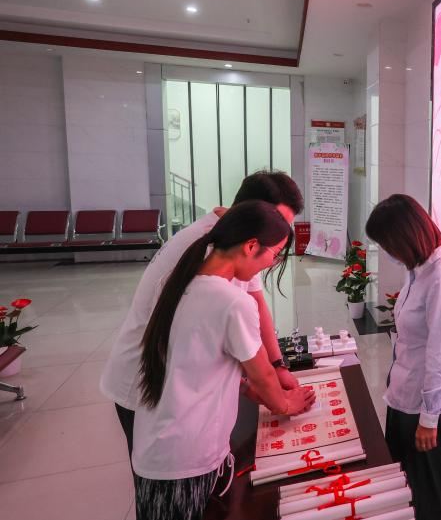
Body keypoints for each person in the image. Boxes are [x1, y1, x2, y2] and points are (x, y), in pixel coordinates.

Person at [132, 200, 315, 520]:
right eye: (274, 255)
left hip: (159, 447)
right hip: (183, 460)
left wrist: (249, 389)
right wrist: (287, 403)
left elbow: (200, 366)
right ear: (250, 246)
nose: (270, 265)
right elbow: (263, 376)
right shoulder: (231, 302)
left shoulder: (184, 281)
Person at [100, 170, 304, 455]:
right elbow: (196, 342)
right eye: (277, 222)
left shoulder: (239, 242)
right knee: (161, 471)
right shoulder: (207, 251)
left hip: (175, 385)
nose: (280, 233)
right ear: (253, 213)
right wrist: (270, 392)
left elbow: (256, 303)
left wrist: (278, 365)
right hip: (148, 382)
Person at [365, 194, 441, 520]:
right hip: (404, 398)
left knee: (425, 500)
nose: (389, 254)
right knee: (403, 491)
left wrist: (429, 419)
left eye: (388, 245)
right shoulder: (419, 270)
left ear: (405, 237)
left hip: (425, 410)